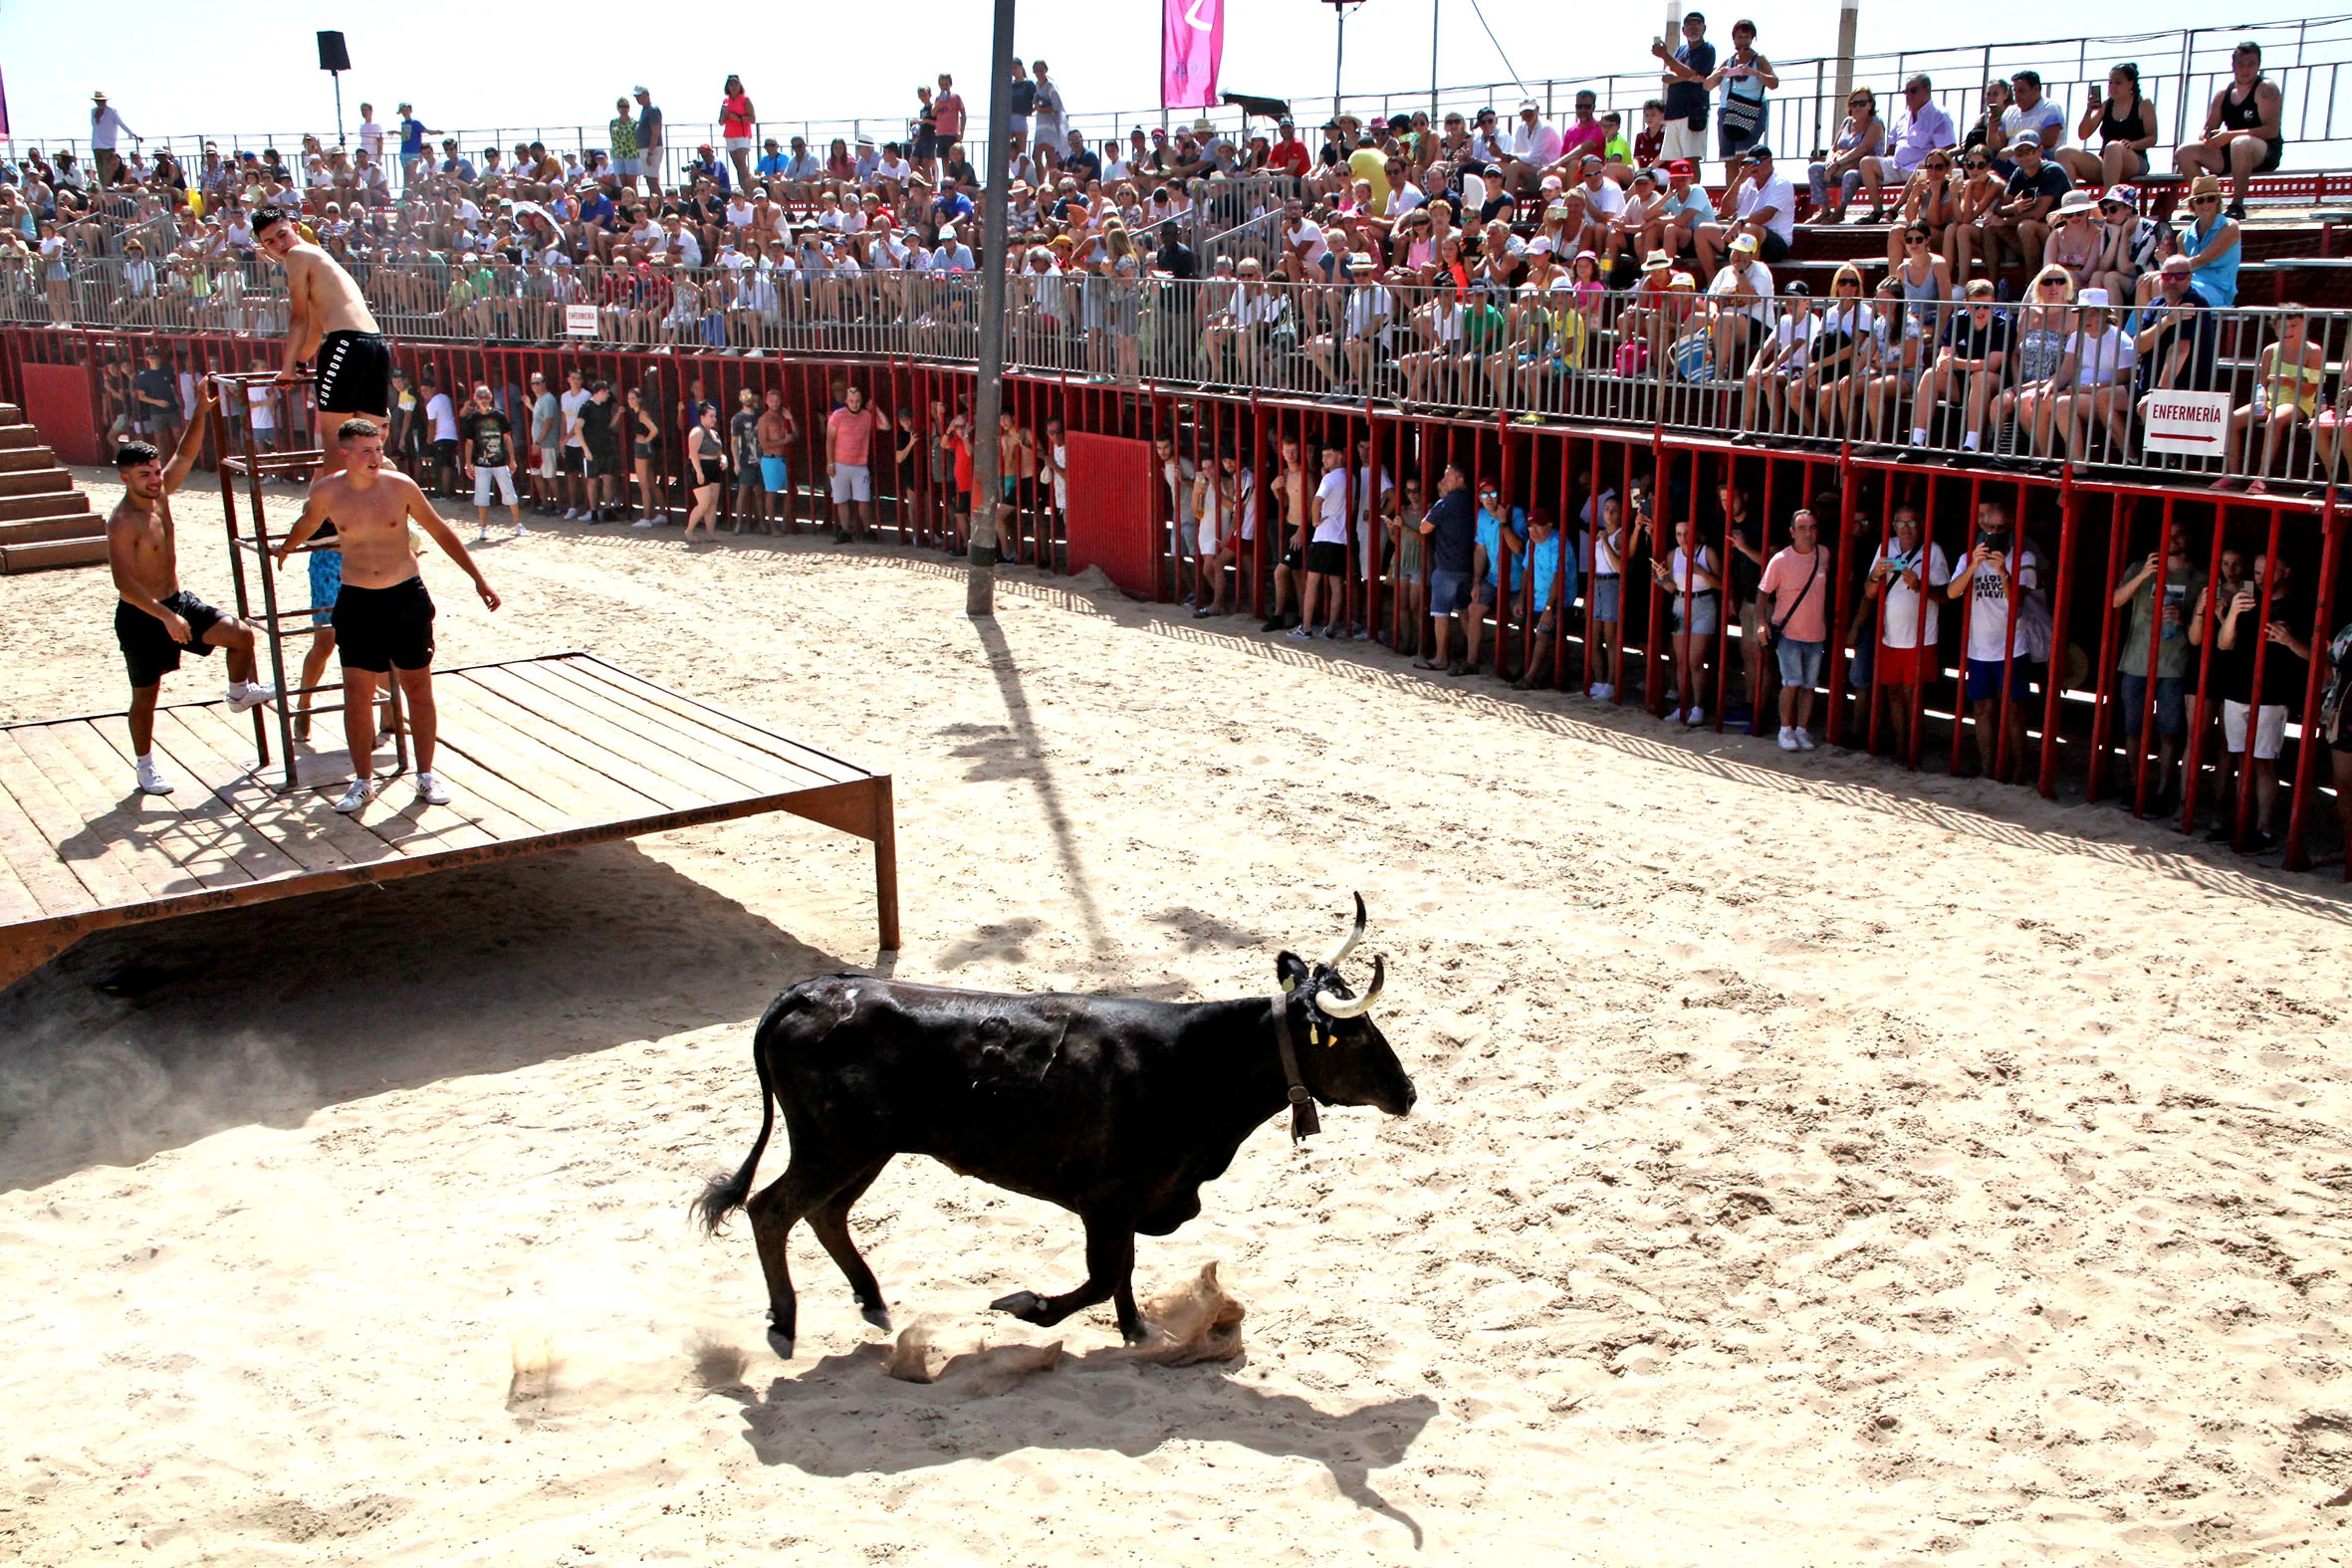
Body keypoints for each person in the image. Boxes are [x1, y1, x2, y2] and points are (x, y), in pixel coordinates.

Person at [275, 418, 501, 813]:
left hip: (404, 594)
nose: (375, 457)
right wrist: (284, 548)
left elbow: (440, 531)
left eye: (379, 448)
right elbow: (306, 525)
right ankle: (363, 782)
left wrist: (478, 579)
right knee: (357, 693)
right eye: (366, 450)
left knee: (418, 687)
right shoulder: (328, 490)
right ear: (345, 453)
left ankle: (426, 775)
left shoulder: (401, 487)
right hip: (357, 599)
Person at [108, 403, 276, 795]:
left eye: (154, 471)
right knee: (146, 696)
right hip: (142, 615)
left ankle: (238, 692)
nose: (154, 479)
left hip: (178, 600)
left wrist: (200, 409)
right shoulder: (121, 522)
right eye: (144, 475)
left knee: (241, 635)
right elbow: (125, 585)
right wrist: (165, 617)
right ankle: (145, 766)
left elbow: (186, 453)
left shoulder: (161, 495)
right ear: (124, 477)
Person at [254, 204, 388, 486]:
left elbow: (298, 319)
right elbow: (315, 326)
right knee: (369, 444)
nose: (279, 245)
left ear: (293, 225)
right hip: (376, 345)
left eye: (281, 235)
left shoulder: (298, 255)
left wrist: (288, 369)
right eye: (269, 242)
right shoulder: (319, 256)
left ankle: (331, 519)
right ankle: (377, 513)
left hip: (346, 344)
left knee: (336, 441)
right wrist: (301, 362)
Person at [2193, 553, 2308, 851]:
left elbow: (2317, 657)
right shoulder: (2247, 603)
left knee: (2264, 764)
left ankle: (2264, 830)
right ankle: (2243, 823)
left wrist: (2288, 641)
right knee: (2242, 761)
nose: (2260, 577)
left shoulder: (2298, 606)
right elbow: (2223, 643)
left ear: (2286, 571)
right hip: (2237, 691)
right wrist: (2230, 615)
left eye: (2268, 571)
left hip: (2272, 695)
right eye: (2256, 572)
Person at [1943, 499, 2042, 783]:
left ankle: (2020, 769)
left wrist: (2003, 573)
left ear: (2010, 527)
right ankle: (1989, 768)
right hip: (1979, 647)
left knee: (2014, 712)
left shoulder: (2023, 558)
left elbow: (2017, 601)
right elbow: (1952, 593)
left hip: (2013, 647)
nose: (1994, 533)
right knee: (1982, 708)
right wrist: (1974, 565)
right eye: (1990, 527)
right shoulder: (1968, 558)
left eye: (2000, 528)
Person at [2109, 537, 2205, 811]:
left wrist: (2183, 619)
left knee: (2170, 731)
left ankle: (2163, 790)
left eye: (2179, 533)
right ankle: (2136, 784)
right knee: (2133, 727)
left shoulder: (2199, 577)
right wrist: (2143, 575)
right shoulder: (2142, 567)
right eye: (2168, 532)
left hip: (2174, 664)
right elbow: (2116, 601)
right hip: (2136, 662)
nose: (2173, 539)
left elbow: (2204, 626)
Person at [1861, 504, 1950, 762]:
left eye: (1911, 523)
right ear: (1893, 525)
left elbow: (1945, 596)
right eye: (1900, 523)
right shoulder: (1885, 547)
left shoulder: (1933, 552)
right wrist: (1876, 575)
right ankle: (1901, 747)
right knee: (1894, 694)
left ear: (1920, 525)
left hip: (1921, 638)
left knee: (1913, 695)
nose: (1905, 529)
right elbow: (1868, 592)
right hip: (1890, 635)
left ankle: (1913, 750)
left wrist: (1920, 586)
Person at [2173, 41, 2284, 221]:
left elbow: (2271, 131)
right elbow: (2208, 128)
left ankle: (2237, 205)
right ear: (2233, 65)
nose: (2246, 69)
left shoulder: (2266, 88)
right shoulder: (2223, 93)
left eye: (2251, 64)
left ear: (2259, 65)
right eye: (2241, 64)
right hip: (2231, 151)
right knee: (2184, 152)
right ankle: (2208, 207)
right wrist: (2208, 138)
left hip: (2262, 151)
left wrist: (2230, 136)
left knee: (2240, 143)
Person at [1757, 508, 1830, 752]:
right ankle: (1785, 729)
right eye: (1802, 528)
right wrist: (1761, 622)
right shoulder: (1780, 560)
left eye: (1812, 528)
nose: (1808, 533)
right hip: (1788, 633)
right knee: (1791, 682)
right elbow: (1763, 594)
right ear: (1791, 532)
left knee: (1809, 686)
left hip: (1816, 633)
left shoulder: (1824, 554)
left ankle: (1802, 730)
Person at [1649, 514, 1717, 723]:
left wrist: (1701, 573)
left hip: (1703, 604)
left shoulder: (1707, 553)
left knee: (1695, 660)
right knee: (1680, 662)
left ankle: (1698, 706)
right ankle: (1683, 705)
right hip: (1680, 603)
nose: (1683, 537)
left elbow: (1723, 584)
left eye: (1687, 533)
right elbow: (1671, 587)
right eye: (1679, 534)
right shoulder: (1673, 555)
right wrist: (1661, 578)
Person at [2057, 63, 2158, 190]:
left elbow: (2152, 138)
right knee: (2064, 152)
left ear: (2131, 84)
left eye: (2118, 83)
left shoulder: (2143, 103)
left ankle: (2109, 201)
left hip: (2134, 160)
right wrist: (2088, 111)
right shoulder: (2106, 105)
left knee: (2113, 147)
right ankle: (2069, 201)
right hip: (2107, 162)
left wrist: (2133, 145)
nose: (2112, 87)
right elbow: (2083, 135)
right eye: (2110, 83)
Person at [1705, 18, 1776, 187]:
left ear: (1752, 38)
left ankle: (1748, 197)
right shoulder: (1728, 61)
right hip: (1726, 111)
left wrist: (1755, 73)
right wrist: (1719, 74)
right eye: (1739, 37)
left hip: (1751, 111)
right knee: (1729, 160)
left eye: (1746, 37)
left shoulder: (1759, 60)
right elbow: (1707, 85)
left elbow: (1774, 83)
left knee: (1745, 158)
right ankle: (1732, 202)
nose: (1742, 41)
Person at [1292, 441, 1352, 640]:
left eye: (1329, 455)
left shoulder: (1329, 478)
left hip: (1324, 535)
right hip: (1341, 537)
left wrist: (1315, 520)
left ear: (1340, 456)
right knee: (1336, 584)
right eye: (1323, 455)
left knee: (1312, 583)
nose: (1324, 459)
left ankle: (1306, 627)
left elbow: (1316, 500)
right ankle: (1331, 627)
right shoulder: (1349, 477)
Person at [459, 383, 525, 542]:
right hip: (481, 463)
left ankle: (518, 524)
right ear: (475, 399)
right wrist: (468, 463)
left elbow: (507, 438)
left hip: (500, 461)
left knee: (509, 492)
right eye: (480, 398)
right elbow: (469, 443)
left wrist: (512, 459)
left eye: (486, 397)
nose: (483, 400)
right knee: (482, 496)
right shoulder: (472, 419)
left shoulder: (499, 415)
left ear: (490, 398)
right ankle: (483, 527)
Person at [1651, 11, 1717, 169]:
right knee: (1675, 163)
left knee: (1691, 160)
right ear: (1683, 30)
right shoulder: (1680, 51)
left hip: (1693, 112)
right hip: (1673, 111)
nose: (1694, 28)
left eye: (1697, 25)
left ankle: (1694, 192)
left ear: (1704, 28)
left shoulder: (1707, 49)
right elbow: (1667, 76)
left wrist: (1667, 57)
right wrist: (1686, 75)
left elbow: (1694, 73)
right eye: (1690, 25)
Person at [827, 383, 883, 544]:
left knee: (864, 499)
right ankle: (845, 531)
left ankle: (867, 530)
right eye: (851, 401)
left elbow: (886, 425)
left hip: (860, 464)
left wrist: (875, 409)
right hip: (840, 463)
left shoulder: (866, 416)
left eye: (857, 401)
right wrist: (830, 463)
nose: (855, 404)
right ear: (846, 401)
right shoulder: (837, 416)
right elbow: (829, 440)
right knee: (841, 499)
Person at [683, 403, 730, 540]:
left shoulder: (714, 433)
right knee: (704, 503)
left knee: (713, 503)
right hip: (700, 466)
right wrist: (699, 472)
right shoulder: (697, 432)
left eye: (715, 416)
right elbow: (693, 454)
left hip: (713, 467)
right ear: (702, 417)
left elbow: (719, 452)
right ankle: (689, 530)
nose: (714, 419)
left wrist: (724, 458)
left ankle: (710, 533)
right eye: (711, 416)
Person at [756, 388, 799, 536]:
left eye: (776, 400)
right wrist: (784, 441)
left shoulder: (783, 416)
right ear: (766, 402)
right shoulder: (764, 420)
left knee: (792, 491)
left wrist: (790, 418)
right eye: (771, 400)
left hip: (783, 460)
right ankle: (773, 526)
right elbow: (764, 444)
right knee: (771, 493)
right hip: (770, 459)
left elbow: (796, 434)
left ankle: (785, 524)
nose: (774, 403)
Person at [719, 76, 757, 196]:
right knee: (737, 165)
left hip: (742, 135)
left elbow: (752, 118)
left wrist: (737, 117)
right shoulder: (726, 101)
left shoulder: (745, 99)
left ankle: (749, 191)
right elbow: (721, 121)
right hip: (730, 135)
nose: (733, 87)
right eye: (731, 85)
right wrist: (725, 115)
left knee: (741, 163)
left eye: (735, 84)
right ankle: (744, 191)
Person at [632, 86, 666, 196]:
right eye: (636, 96)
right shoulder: (645, 110)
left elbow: (655, 132)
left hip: (651, 149)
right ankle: (655, 204)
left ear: (646, 94)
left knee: (653, 181)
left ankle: (659, 204)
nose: (638, 98)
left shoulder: (652, 110)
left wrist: (650, 153)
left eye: (639, 96)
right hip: (645, 149)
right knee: (649, 179)